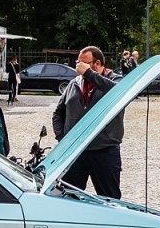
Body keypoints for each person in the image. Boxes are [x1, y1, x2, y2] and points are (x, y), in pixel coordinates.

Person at [52, 46, 124, 198]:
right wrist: (62, 138)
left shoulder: (115, 80)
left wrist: (90, 74)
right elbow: (58, 114)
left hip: (104, 150)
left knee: (109, 199)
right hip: (75, 153)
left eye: (83, 63)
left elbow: (118, 93)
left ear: (97, 63)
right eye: (78, 63)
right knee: (69, 198)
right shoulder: (74, 83)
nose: (79, 67)